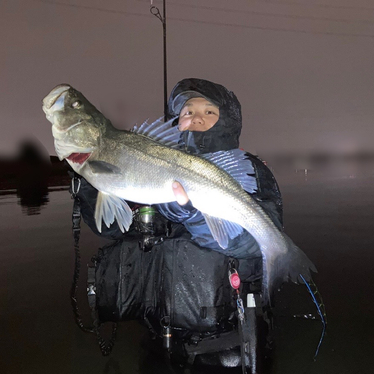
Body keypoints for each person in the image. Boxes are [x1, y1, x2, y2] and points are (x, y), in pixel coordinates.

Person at [72, 78, 287, 369]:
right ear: (177, 122)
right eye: (187, 112)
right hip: (161, 335)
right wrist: (91, 182)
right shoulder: (150, 166)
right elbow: (115, 229)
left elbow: (252, 243)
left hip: (226, 343)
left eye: (209, 111)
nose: (196, 117)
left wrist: (194, 215)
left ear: (228, 120)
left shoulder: (248, 169)